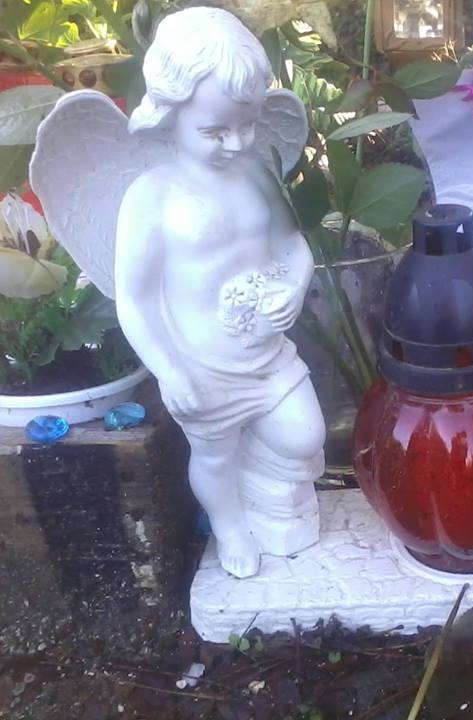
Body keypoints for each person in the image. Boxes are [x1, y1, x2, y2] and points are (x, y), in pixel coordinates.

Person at [115, 7, 325, 578]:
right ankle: (231, 524)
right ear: (169, 113)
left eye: (247, 126)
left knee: (307, 437)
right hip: (204, 368)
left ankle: (266, 493)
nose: (236, 143)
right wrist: (170, 373)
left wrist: (295, 285)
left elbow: (293, 245)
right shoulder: (150, 197)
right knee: (214, 455)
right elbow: (134, 300)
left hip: (269, 357)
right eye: (215, 131)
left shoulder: (256, 175)